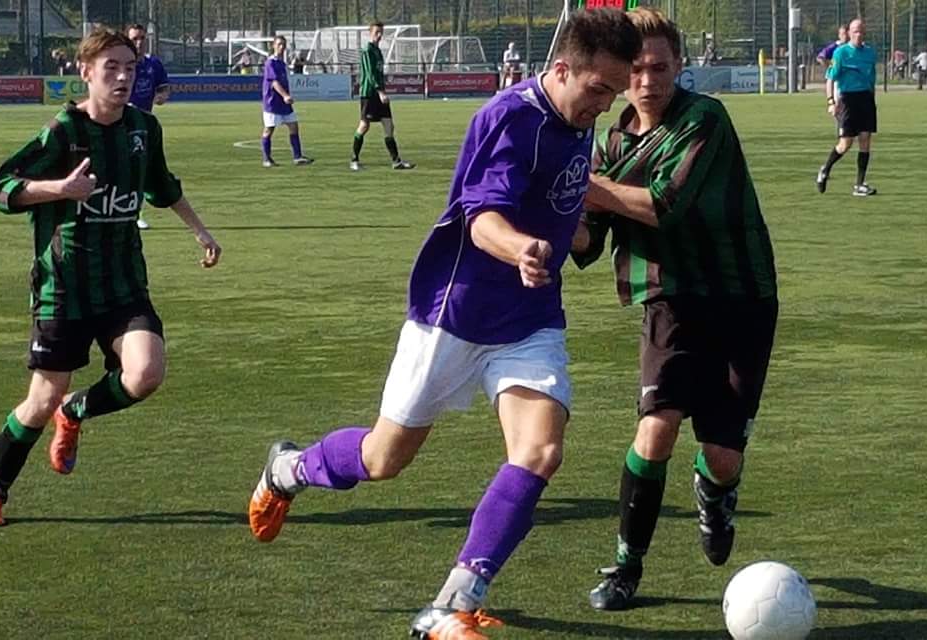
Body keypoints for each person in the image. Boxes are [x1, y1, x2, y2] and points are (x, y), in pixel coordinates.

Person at [247, 9, 640, 639]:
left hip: (529, 318)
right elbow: (481, 218)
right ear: (562, 69)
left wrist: (581, 233)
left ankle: (451, 605)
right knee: (383, 458)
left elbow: (560, 202)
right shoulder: (510, 117)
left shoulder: (576, 121)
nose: (605, 102)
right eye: (599, 89)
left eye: (614, 92)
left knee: (540, 451)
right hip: (454, 313)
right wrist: (525, 250)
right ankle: (288, 469)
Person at [0, 27, 222, 529]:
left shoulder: (145, 129)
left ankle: (76, 412)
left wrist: (201, 232)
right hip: (63, 288)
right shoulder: (63, 131)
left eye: (130, 67)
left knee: (145, 374)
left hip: (124, 283)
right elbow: (1, 189)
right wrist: (59, 187)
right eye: (112, 68)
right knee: (41, 399)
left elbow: (161, 187)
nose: (123, 77)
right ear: (85, 73)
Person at [571, 7, 778, 612]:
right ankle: (625, 567)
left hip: (743, 297)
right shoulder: (611, 140)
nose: (646, 81)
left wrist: (584, 183)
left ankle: (715, 491)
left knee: (722, 455)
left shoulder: (704, 119)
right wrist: (549, 227)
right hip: (671, 296)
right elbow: (590, 235)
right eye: (634, 69)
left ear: (680, 67)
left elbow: (665, 205)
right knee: (656, 427)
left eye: (659, 66)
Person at [816, 17, 877, 197]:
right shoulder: (841, 53)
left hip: (865, 99)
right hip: (847, 100)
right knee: (846, 144)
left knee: (865, 140)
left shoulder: (870, 53)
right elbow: (830, 79)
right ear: (849, 33)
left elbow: (872, 78)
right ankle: (825, 170)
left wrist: (872, 99)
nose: (858, 35)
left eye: (861, 31)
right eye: (855, 31)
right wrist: (831, 102)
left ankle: (859, 185)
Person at [350, 22, 414, 171]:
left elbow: (379, 74)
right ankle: (354, 160)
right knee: (364, 126)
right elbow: (370, 74)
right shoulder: (367, 50)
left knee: (389, 126)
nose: (379, 35)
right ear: (370, 33)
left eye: (381, 32)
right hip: (369, 94)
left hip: (380, 93)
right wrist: (380, 92)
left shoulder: (378, 51)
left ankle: (396, 161)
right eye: (377, 32)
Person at [126, 23, 171, 230]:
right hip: (119, 122)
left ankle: (136, 214)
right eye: (135, 38)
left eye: (142, 38)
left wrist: (161, 96)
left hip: (143, 125)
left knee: (138, 170)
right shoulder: (122, 64)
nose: (139, 42)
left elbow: (163, 87)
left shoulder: (154, 63)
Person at [261, 35, 313, 168]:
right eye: (279, 44)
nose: (282, 47)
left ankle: (298, 157)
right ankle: (267, 159)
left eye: (283, 45)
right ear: (273, 46)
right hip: (273, 102)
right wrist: (285, 96)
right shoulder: (270, 63)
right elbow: (274, 83)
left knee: (293, 125)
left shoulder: (282, 64)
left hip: (284, 103)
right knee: (269, 129)